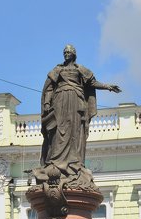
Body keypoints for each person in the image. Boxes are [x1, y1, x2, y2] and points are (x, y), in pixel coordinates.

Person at [38, 45, 121, 189]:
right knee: (59, 131)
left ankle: (74, 163)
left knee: (75, 132)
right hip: (60, 102)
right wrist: (46, 103)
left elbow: (93, 83)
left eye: (69, 52)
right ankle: (55, 163)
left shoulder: (80, 69)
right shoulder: (57, 70)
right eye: (64, 52)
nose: (66, 54)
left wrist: (108, 86)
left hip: (76, 102)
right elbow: (50, 88)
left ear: (74, 54)